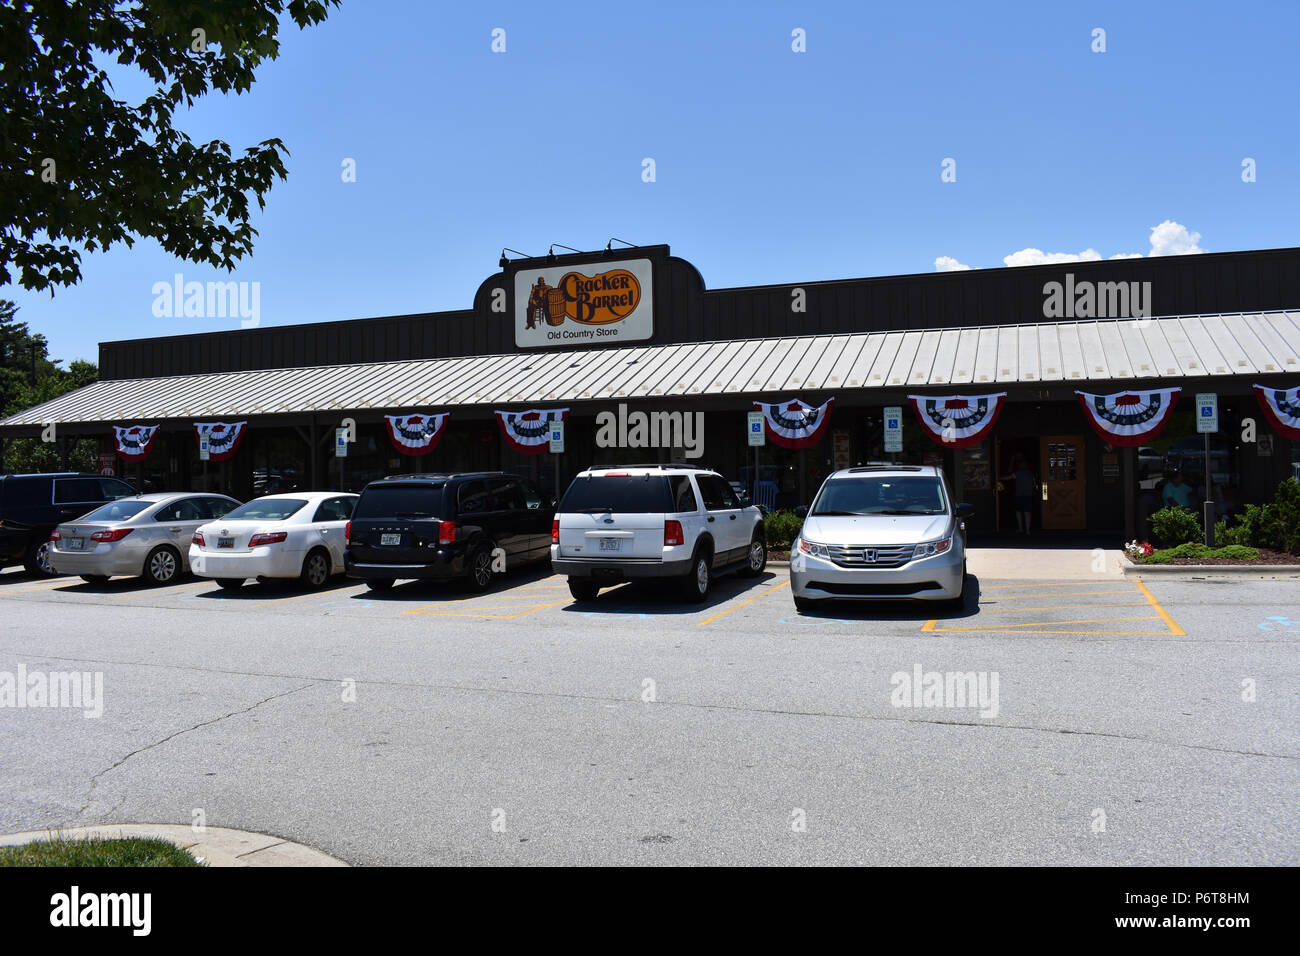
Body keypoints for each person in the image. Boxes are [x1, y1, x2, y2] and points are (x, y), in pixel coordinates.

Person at [998, 454, 1038, 535]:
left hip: (1020, 494)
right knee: (1027, 512)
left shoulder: (1018, 473)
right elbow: (1034, 483)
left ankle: (1021, 528)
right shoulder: (1030, 473)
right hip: (1028, 494)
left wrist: (998, 478)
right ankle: (1027, 530)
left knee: (1019, 511)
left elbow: (1008, 477)